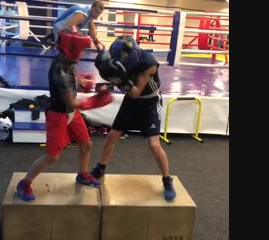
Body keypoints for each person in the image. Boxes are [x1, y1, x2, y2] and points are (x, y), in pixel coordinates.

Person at [16, 29, 114, 202]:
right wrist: (97, 100)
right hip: (58, 115)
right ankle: (25, 183)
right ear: (72, 49)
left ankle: (83, 174)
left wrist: (84, 82)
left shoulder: (70, 61)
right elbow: (72, 102)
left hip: (71, 114)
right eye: (81, 50)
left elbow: (75, 78)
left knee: (86, 144)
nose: (83, 53)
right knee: (52, 156)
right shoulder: (59, 71)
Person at [91, 35, 176, 201]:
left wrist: (117, 80)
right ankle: (100, 168)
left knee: (153, 144)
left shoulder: (148, 63)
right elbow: (124, 79)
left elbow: (136, 91)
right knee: (112, 135)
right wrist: (108, 83)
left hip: (150, 102)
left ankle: (167, 180)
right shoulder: (121, 58)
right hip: (131, 101)